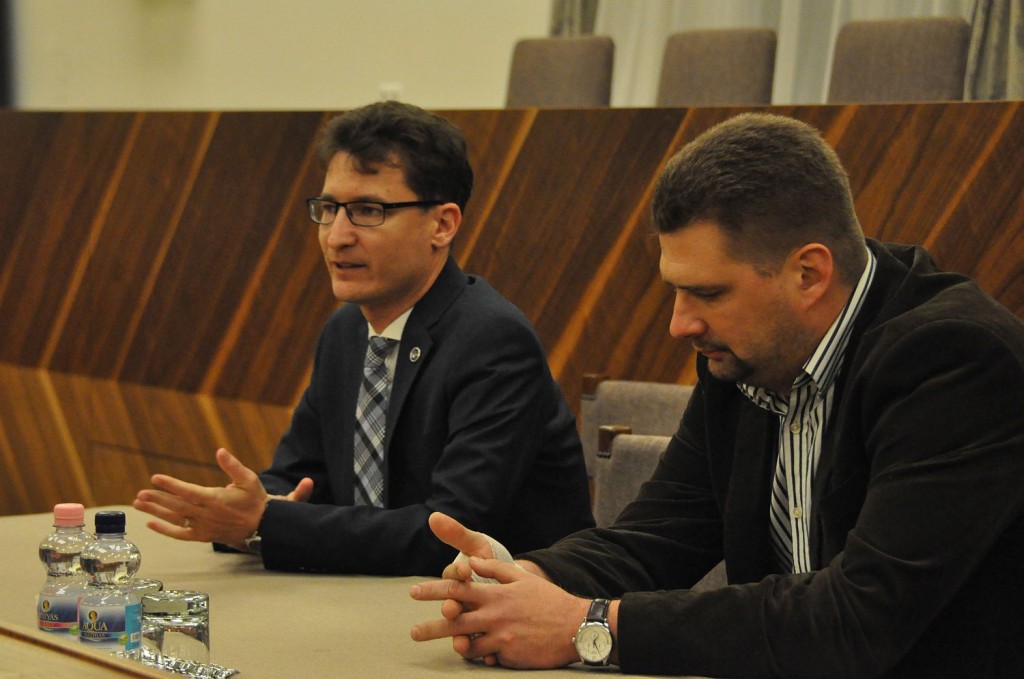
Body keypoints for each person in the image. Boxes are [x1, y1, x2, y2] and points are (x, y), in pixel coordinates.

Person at [409, 113, 1024, 677]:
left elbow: (860, 619)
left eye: (708, 293)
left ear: (809, 273)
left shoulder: (955, 361)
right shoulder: (745, 357)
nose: (680, 324)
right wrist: (520, 580)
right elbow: (658, 537)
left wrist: (587, 627)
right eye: (675, 291)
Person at [133, 101, 593, 576]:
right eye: (329, 209)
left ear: (442, 225)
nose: (337, 236)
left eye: (367, 211)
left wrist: (268, 523)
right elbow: (301, 478)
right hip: (375, 595)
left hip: (507, 601)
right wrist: (243, 509)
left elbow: (449, 533)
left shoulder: (493, 339)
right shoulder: (345, 331)